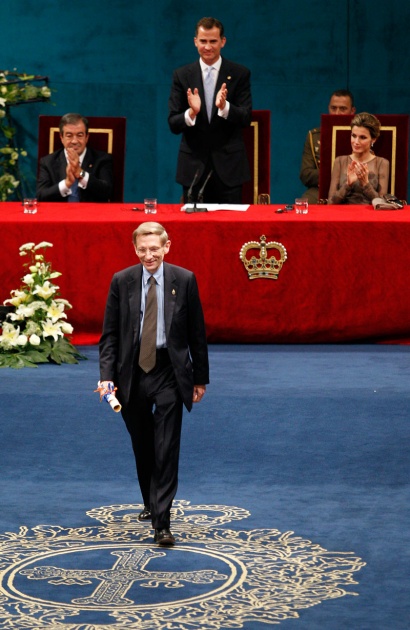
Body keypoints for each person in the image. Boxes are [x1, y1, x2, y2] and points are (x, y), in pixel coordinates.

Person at [99, 222, 209, 546]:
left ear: (167, 246)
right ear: (135, 250)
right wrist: (106, 377)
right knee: (143, 443)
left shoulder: (185, 280)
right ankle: (150, 499)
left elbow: (197, 335)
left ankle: (162, 522)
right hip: (130, 372)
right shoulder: (122, 281)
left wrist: (200, 378)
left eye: (154, 248)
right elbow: (110, 336)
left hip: (169, 371)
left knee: (166, 445)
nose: (149, 255)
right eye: (142, 249)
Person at [168, 17, 252, 204]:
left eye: (213, 41)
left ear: (223, 41)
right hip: (193, 169)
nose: (208, 46)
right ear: (195, 41)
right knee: (194, 230)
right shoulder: (181, 75)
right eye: (203, 41)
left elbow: (246, 118)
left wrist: (225, 107)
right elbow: (173, 123)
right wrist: (192, 113)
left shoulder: (240, 73)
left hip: (229, 169)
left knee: (231, 229)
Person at [37, 113, 113, 202]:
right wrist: (66, 184)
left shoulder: (102, 159)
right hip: (59, 214)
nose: (74, 141)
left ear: (86, 137)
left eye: (80, 135)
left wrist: (81, 173)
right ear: (61, 138)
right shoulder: (48, 162)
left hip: (91, 214)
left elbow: (107, 192)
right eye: (69, 136)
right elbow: (41, 196)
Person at [299, 89, 356, 203]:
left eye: (343, 109)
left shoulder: (361, 136)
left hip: (355, 189)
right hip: (321, 189)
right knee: (303, 206)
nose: (337, 113)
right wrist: (336, 175)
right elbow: (306, 175)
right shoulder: (314, 136)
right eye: (333, 108)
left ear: (352, 111)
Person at [328, 112, 389, 205]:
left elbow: (382, 204)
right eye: (353, 136)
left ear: (373, 139)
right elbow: (330, 203)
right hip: (343, 215)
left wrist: (365, 184)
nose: (356, 142)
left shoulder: (382, 163)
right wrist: (348, 185)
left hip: (370, 216)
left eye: (362, 137)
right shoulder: (340, 161)